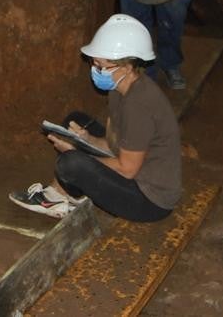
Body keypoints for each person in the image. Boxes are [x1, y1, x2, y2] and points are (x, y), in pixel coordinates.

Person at [10, 15, 182, 222]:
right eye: (95, 62)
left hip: (149, 200)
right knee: (75, 121)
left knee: (71, 163)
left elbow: (127, 169)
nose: (95, 69)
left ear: (126, 67)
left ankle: (54, 199)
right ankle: (66, 193)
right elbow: (115, 145)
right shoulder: (121, 88)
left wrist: (78, 154)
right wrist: (87, 139)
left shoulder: (139, 105)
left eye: (102, 65)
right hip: (138, 169)